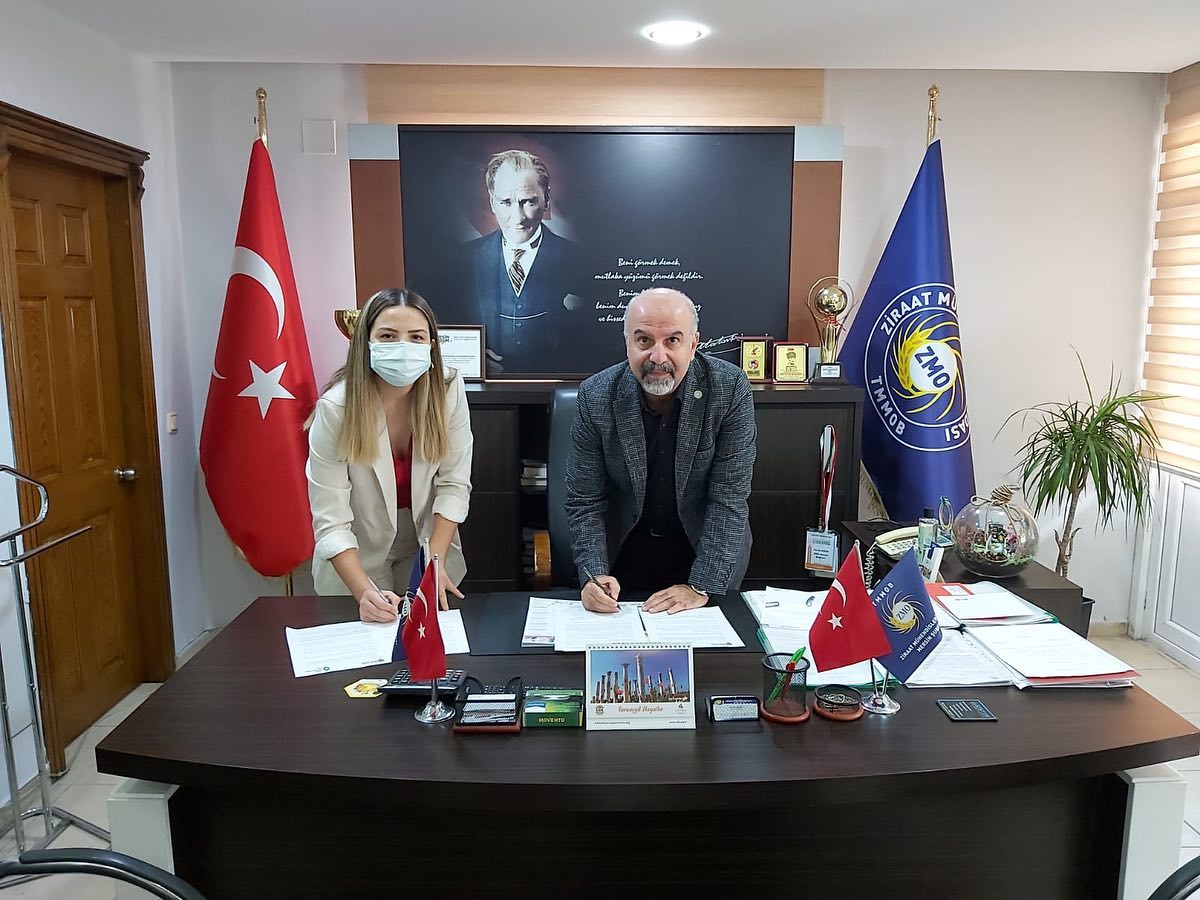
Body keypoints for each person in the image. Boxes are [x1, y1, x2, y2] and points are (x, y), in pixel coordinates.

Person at [565, 287, 756, 615]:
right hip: (622, 559)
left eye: (672, 341)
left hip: (704, 553)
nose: (657, 357)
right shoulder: (595, 396)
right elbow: (585, 501)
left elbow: (729, 498)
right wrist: (594, 574)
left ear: (693, 345)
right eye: (644, 340)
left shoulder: (729, 389)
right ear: (627, 344)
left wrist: (700, 586)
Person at [307, 289, 473, 623]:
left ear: (431, 345)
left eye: (416, 337)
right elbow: (331, 520)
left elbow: (454, 485)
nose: (403, 347)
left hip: (429, 544)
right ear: (365, 343)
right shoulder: (336, 409)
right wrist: (363, 592)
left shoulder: (447, 390)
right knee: (372, 645)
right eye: (387, 336)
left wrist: (433, 565)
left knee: (427, 645)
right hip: (357, 555)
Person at [464, 149, 586, 375]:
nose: (518, 217)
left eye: (528, 202)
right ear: (492, 202)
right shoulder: (464, 260)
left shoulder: (580, 261)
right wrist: (474, 359)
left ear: (546, 199)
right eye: (506, 202)